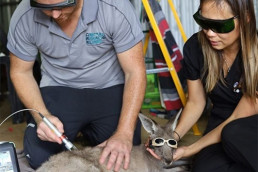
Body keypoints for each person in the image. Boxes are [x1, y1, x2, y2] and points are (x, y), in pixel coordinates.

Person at [7, 0, 146, 171]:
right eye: (46, 8)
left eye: (61, 6)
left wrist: (124, 133)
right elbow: (21, 72)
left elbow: (135, 72)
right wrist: (42, 117)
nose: (55, 15)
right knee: (39, 158)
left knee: (123, 156)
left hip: (109, 87)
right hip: (60, 88)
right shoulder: (24, 15)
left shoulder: (114, 7)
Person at [171, 0, 258, 171]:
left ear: (245, 18)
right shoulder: (195, 47)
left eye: (220, 26)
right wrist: (172, 137)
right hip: (221, 122)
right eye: (204, 22)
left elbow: (237, 120)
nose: (209, 33)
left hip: (249, 125)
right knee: (204, 168)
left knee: (233, 133)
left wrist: (189, 149)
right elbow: (196, 102)